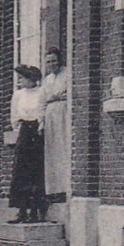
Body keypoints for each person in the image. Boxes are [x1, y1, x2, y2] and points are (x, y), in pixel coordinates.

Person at [9, 65, 48, 224]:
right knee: (21, 170)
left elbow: (43, 110)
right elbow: (14, 114)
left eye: (22, 78)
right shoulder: (18, 95)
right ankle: (21, 210)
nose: (20, 81)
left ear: (31, 79)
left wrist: (40, 125)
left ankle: (35, 211)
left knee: (36, 170)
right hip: (25, 131)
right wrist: (18, 129)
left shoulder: (41, 92)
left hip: (37, 131)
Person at [40, 49, 70, 210]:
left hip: (63, 113)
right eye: (49, 62)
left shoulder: (67, 75)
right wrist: (41, 121)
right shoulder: (47, 80)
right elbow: (43, 100)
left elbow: (68, 94)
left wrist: (58, 96)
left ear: (60, 60)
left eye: (54, 61)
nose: (52, 64)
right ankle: (54, 190)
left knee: (63, 149)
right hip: (50, 115)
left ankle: (65, 188)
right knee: (52, 152)